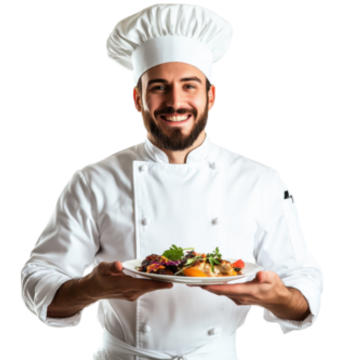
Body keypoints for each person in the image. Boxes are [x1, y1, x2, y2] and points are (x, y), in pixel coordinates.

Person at [18, 4, 324, 359]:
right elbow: (36, 280)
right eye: (159, 87)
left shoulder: (261, 181)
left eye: (189, 86)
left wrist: (278, 297)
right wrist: (89, 288)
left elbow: (305, 286)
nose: (175, 101)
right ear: (137, 99)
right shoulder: (92, 180)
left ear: (211, 96)